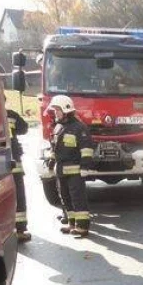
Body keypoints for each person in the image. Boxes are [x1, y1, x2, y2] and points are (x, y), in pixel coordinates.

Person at [48, 95, 93, 237]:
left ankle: (82, 227)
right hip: (61, 171)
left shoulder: (79, 128)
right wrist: (51, 160)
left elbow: (86, 149)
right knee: (65, 198)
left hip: (75, 172)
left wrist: (85, 166)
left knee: (78, 199)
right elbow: (54, 147)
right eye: (55, 110)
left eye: (57, 110)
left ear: (66, 110)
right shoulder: (58, 127)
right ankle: (72, 223)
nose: (55, 113)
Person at [6, 104, 31, 242]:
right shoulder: (11, 115)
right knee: (18, 196)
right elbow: (24, 128)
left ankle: (8, 230)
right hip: (13, 163)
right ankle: (20, 230)